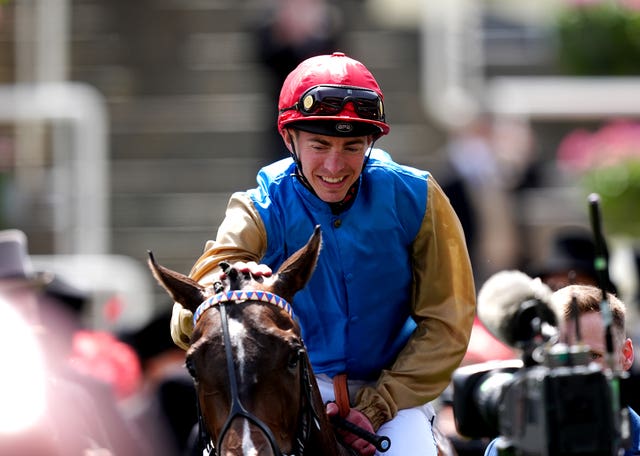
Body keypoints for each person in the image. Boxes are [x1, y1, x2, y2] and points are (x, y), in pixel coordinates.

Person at [170, 52, 476, 455]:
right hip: (287, 383)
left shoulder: (418, 197)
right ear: (289, 139)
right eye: (319, 145)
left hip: (392, 389)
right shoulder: (258, 207)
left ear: (370, 142)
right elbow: (189, 314)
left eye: (352, 146)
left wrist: (378, 405)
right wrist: (226, 294)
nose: (335, 165)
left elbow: (447, 321)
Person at [483, 284, 640, 456]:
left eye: (591, 356)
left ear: (626, 355)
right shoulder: (507, 450)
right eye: (557, 358)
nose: (573, 373)